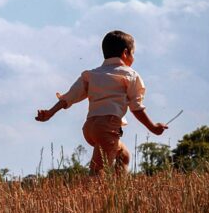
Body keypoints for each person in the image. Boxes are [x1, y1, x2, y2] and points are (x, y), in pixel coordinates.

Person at [35, 30, 167, 175]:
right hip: (107, 127)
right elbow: (136, 107)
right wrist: (153, 127)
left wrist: (50, 112)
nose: (133, 57)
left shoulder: (93, 74)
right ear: (125, 53)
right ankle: (91, 196)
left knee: (123, 156)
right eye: (133, 53)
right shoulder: (130, 75)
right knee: (97, 173)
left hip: (90, 128)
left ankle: (118, 192)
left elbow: (70, 96)